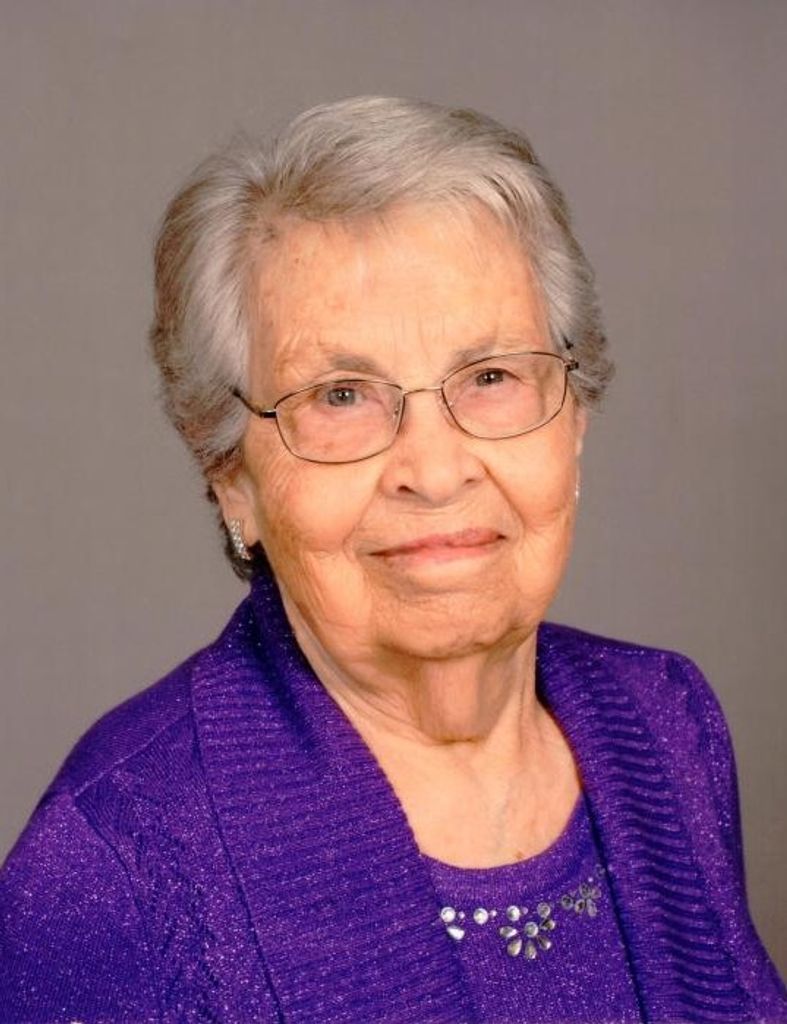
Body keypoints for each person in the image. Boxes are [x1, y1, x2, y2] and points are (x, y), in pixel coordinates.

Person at [0, 96, 784, 1024]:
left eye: (490, 376)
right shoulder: (115, 860)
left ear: (574, 419)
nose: (435, 470)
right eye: (341, 395)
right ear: (231, 475)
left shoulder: (664, 723)